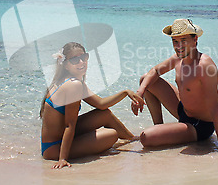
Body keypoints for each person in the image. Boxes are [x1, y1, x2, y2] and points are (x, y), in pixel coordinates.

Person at [40, 41, 144, 169]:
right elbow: (69, 125)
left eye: (84, 57)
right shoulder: (74, 85)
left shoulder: (70, 80)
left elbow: (101, 104)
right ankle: (128, 138)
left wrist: (125, 93)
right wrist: (62, 159)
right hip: (54, 149)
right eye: (75, 60)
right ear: (65, 65)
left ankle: (131, 138)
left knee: (104, 114)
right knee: (111, 134)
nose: (81, 62)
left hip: (58, 141)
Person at [132, 19, 218, 152]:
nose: (179, 46)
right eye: (175, 41)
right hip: (183, 110)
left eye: (183, 40)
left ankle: (161, 133)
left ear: (195, 40)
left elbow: (215, 109)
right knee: (145, 80)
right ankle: (159, 127)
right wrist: (139, 93)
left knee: (146, 138)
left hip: (199, 125)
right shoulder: (178, 58)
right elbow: (155, 71)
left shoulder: (205, 66)